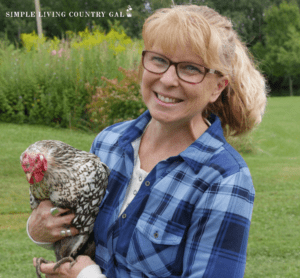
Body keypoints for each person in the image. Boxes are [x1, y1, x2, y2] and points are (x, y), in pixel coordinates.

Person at [28, 4, 267, 278]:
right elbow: (80, 232)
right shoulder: (109, 143)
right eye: (158, 60)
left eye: (190, 68)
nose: (167, 79)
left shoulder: (224, 178)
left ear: (217, 86)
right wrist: (39, 231)